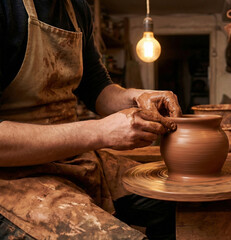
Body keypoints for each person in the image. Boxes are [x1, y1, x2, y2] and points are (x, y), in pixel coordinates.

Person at [0, 0, 182, 239]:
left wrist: (137, 97)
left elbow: (97, 88)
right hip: (13, 175)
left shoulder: (77, 9)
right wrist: (99, 132)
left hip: (71, 156)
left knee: (177, 199)